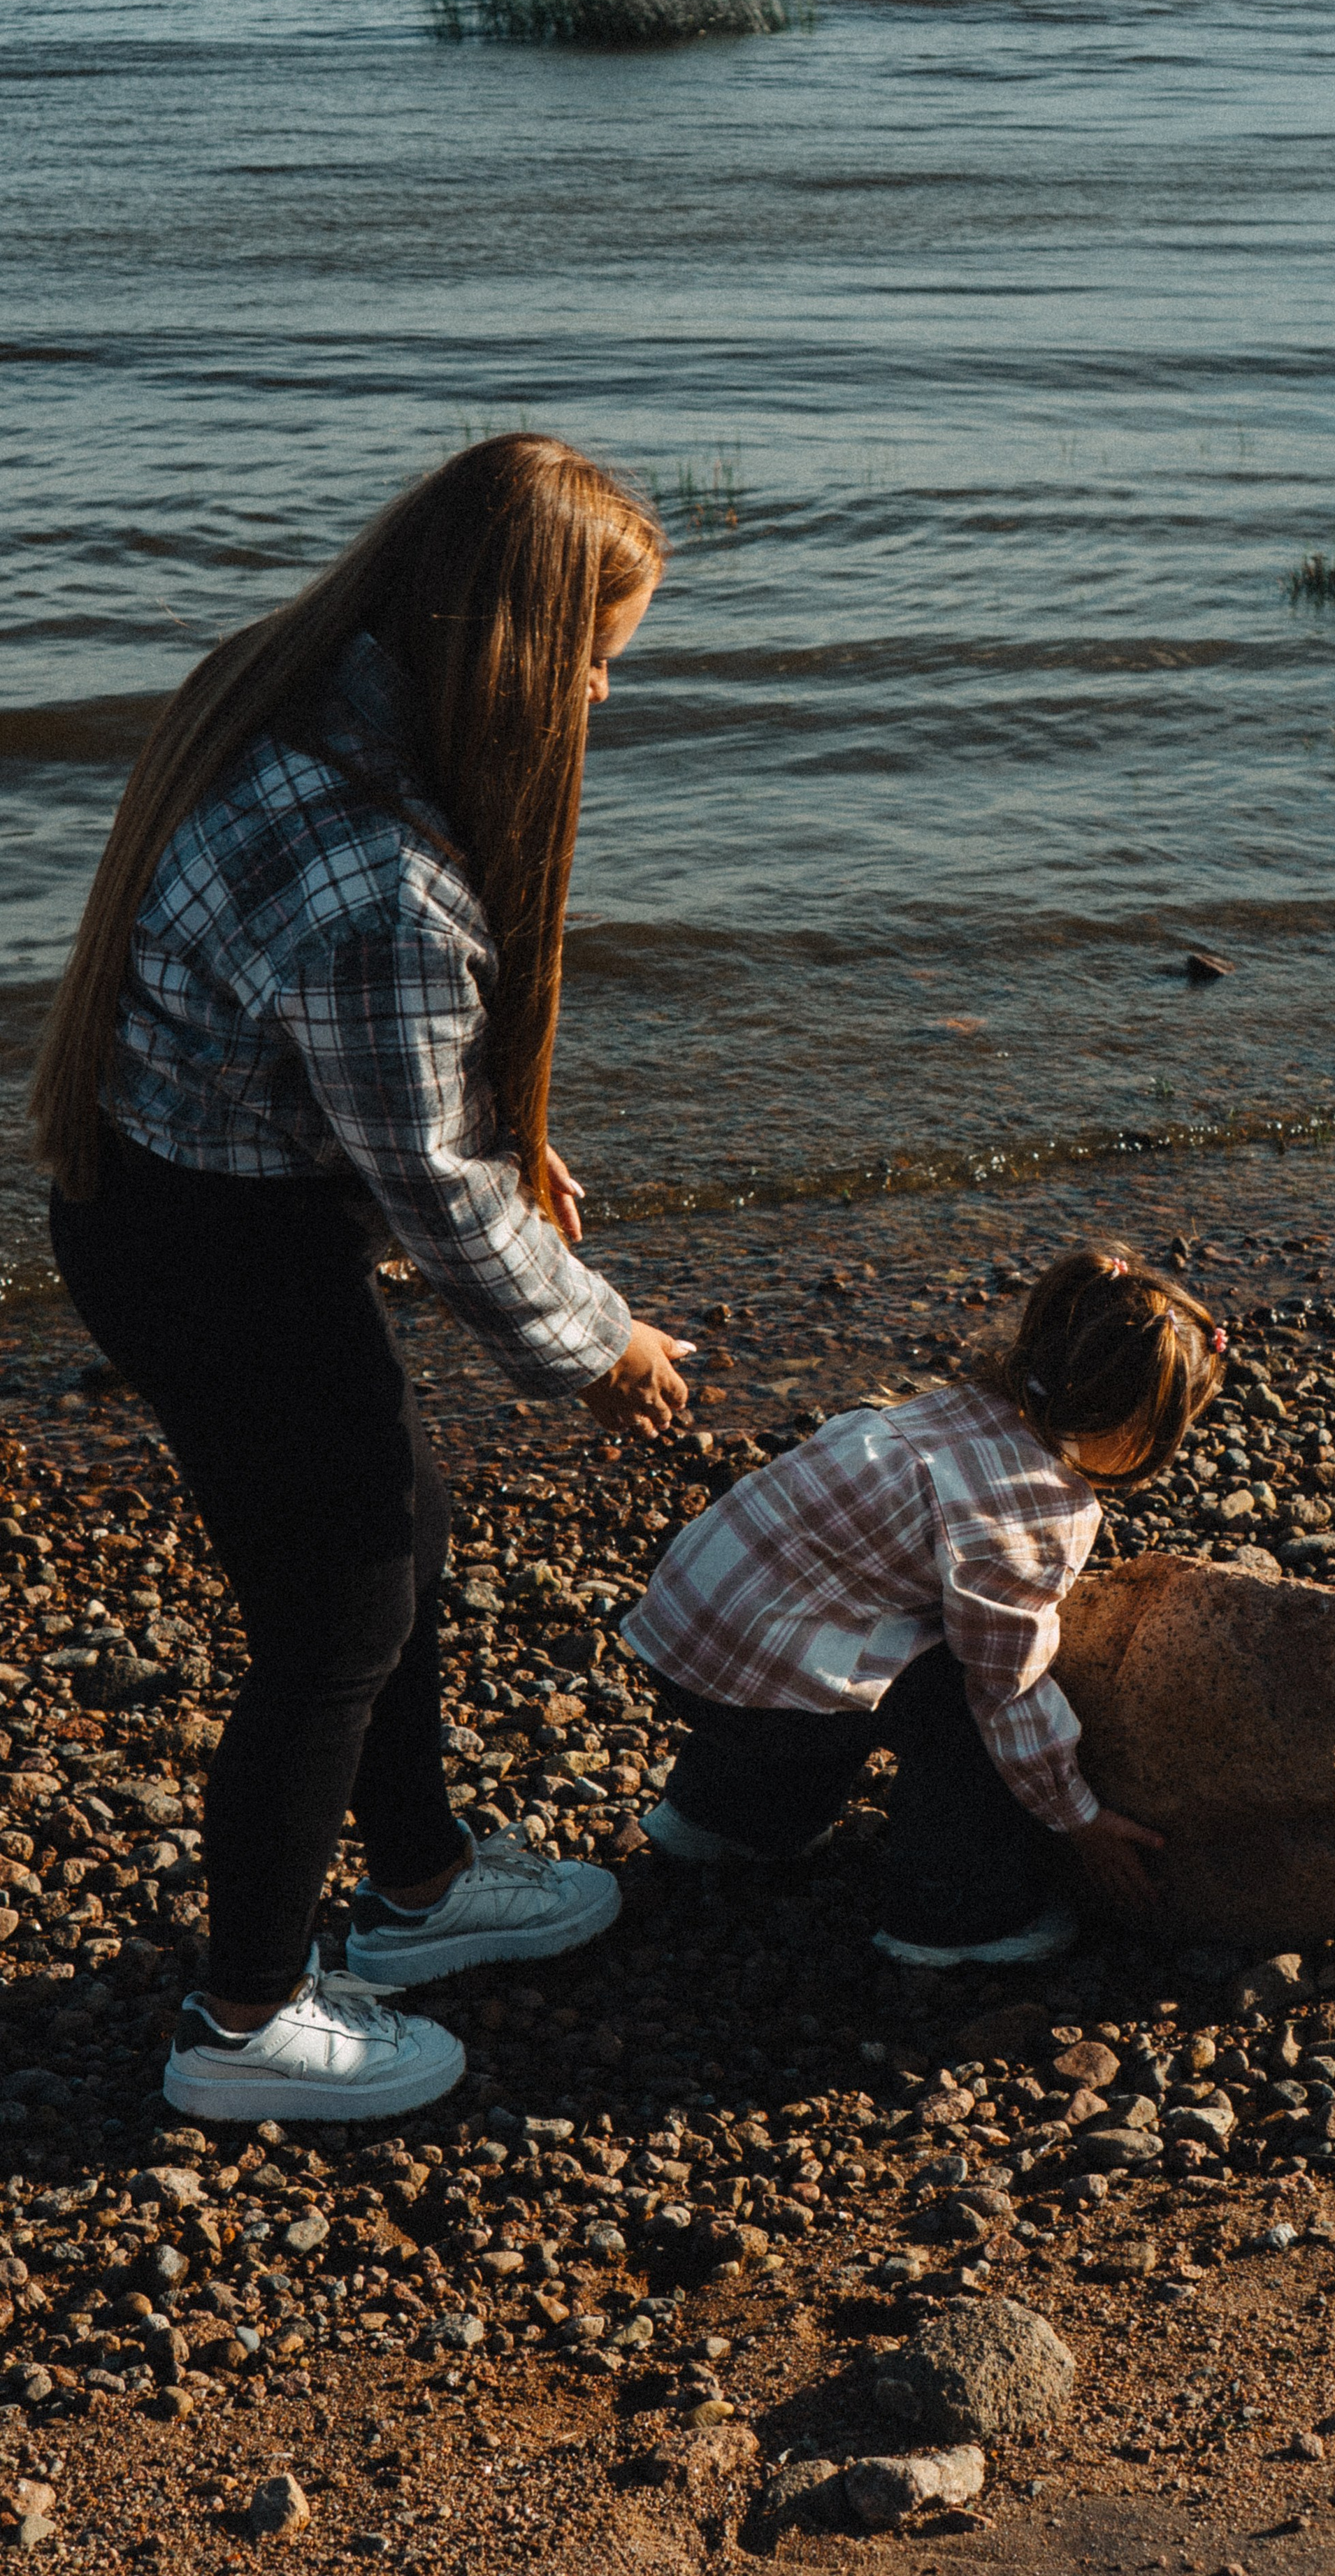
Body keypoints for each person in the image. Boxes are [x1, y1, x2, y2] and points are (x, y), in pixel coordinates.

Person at [34, 435, 692, 2122]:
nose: (605, 700)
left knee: (403, 1527)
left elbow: (383, 1087)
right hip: (220, 1256)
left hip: (173, 1200)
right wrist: (601, 1339)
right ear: (518, 653)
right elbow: (445, 1201)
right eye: (598, 661)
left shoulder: (287, 685)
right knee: (334, 1617)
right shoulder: (380, 880)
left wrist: (486, 1125)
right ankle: (243, 2017)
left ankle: (413, 1884)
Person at [623, 1244, 1225, 1967]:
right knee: (959, 1705)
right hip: (760, 1697)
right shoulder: (1036, 1507)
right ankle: (952, 1917)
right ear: (1140, 1430)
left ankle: (721, 1818)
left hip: (678, 1630)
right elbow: (1007, 1688)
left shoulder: (946, 1410)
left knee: (846, 1633)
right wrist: (1079, 1818)